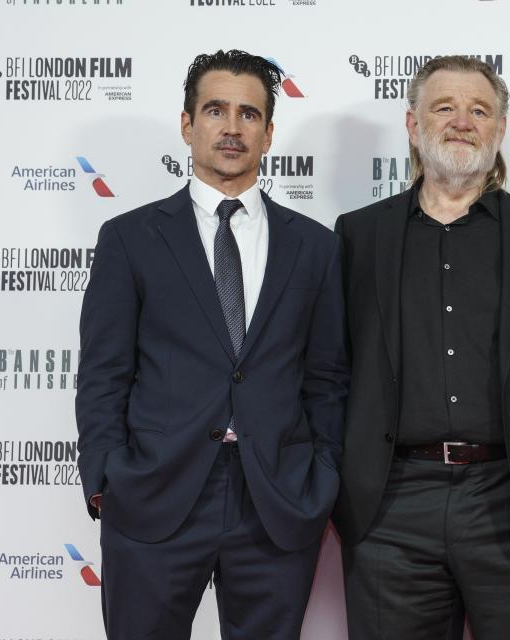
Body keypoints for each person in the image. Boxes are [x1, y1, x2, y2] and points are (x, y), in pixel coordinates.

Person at [332, 55, 510, 640]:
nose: (463, 121)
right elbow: (332, 374)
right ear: (412, 124)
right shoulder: (357, 236)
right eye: (444, 108)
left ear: (501, 129)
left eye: (479, 110)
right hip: (390, 512)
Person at [75, 49, 348, 639]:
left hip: (275, 498)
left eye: (249, 114)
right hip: (154, 494)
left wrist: (322, 477)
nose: (232, 127)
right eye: (216, 110)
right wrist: (104, 475)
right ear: (187, 123)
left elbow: (327, 378)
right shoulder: (129, 238)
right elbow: (103, 371)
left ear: (269, 133)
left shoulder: (315, 247)